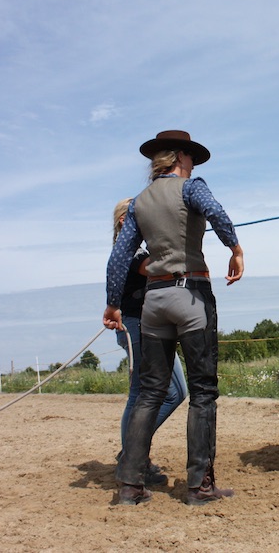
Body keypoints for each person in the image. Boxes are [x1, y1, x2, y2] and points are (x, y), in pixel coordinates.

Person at [103, 130, 245, 507]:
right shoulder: (191, 188)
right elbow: (216, 212)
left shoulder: (138, 202)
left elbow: (120, 257)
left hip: (153, 303)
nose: (194, 165)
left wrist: (113, 303)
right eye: (192, 158)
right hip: (191, 296)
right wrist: (234, 247)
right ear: (181, 157)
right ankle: (199, 486)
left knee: (149, 393)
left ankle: (130, 487)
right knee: (202, 393)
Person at [111, 198, 188, 487]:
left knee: (173, 392)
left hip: (152, 326)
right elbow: (157, 269)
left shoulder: (139, 248)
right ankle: (133, 458)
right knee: (147, 394)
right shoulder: (129, 251)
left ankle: (131, 455)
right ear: (124, 221)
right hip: (137, 327)